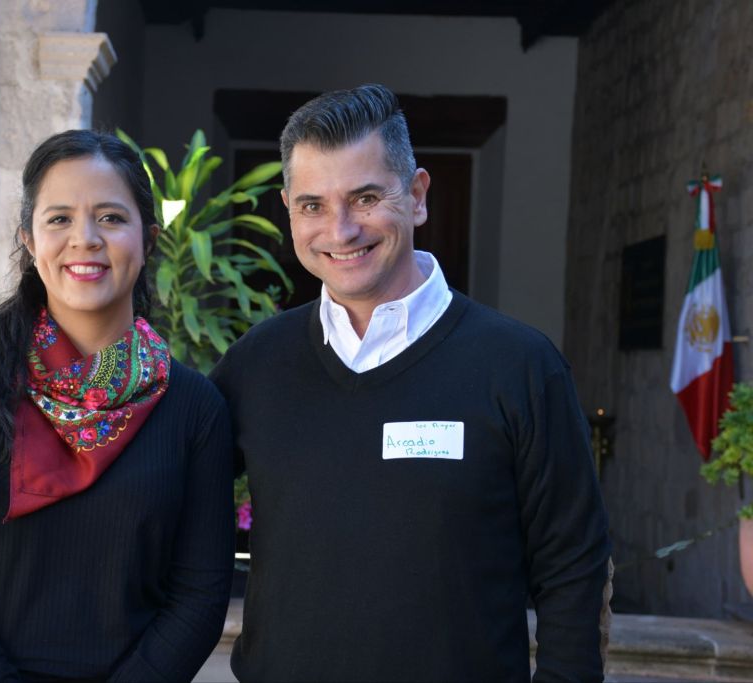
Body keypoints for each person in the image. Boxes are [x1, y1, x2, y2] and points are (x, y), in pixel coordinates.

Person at [207, 84, 612, 681]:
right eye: (313, 205)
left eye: (366, 198)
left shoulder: (520, 366)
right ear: (289, 208)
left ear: (417, 196)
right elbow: (162, 504)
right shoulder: (255, 364)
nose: (341, 231)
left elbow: (574, 566)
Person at [0, 130, 235, 682]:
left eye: (110, 218)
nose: (85, 239)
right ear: (29, 241)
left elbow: (198, 596)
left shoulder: (194, 409)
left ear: (148, 239)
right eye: (59, 219)